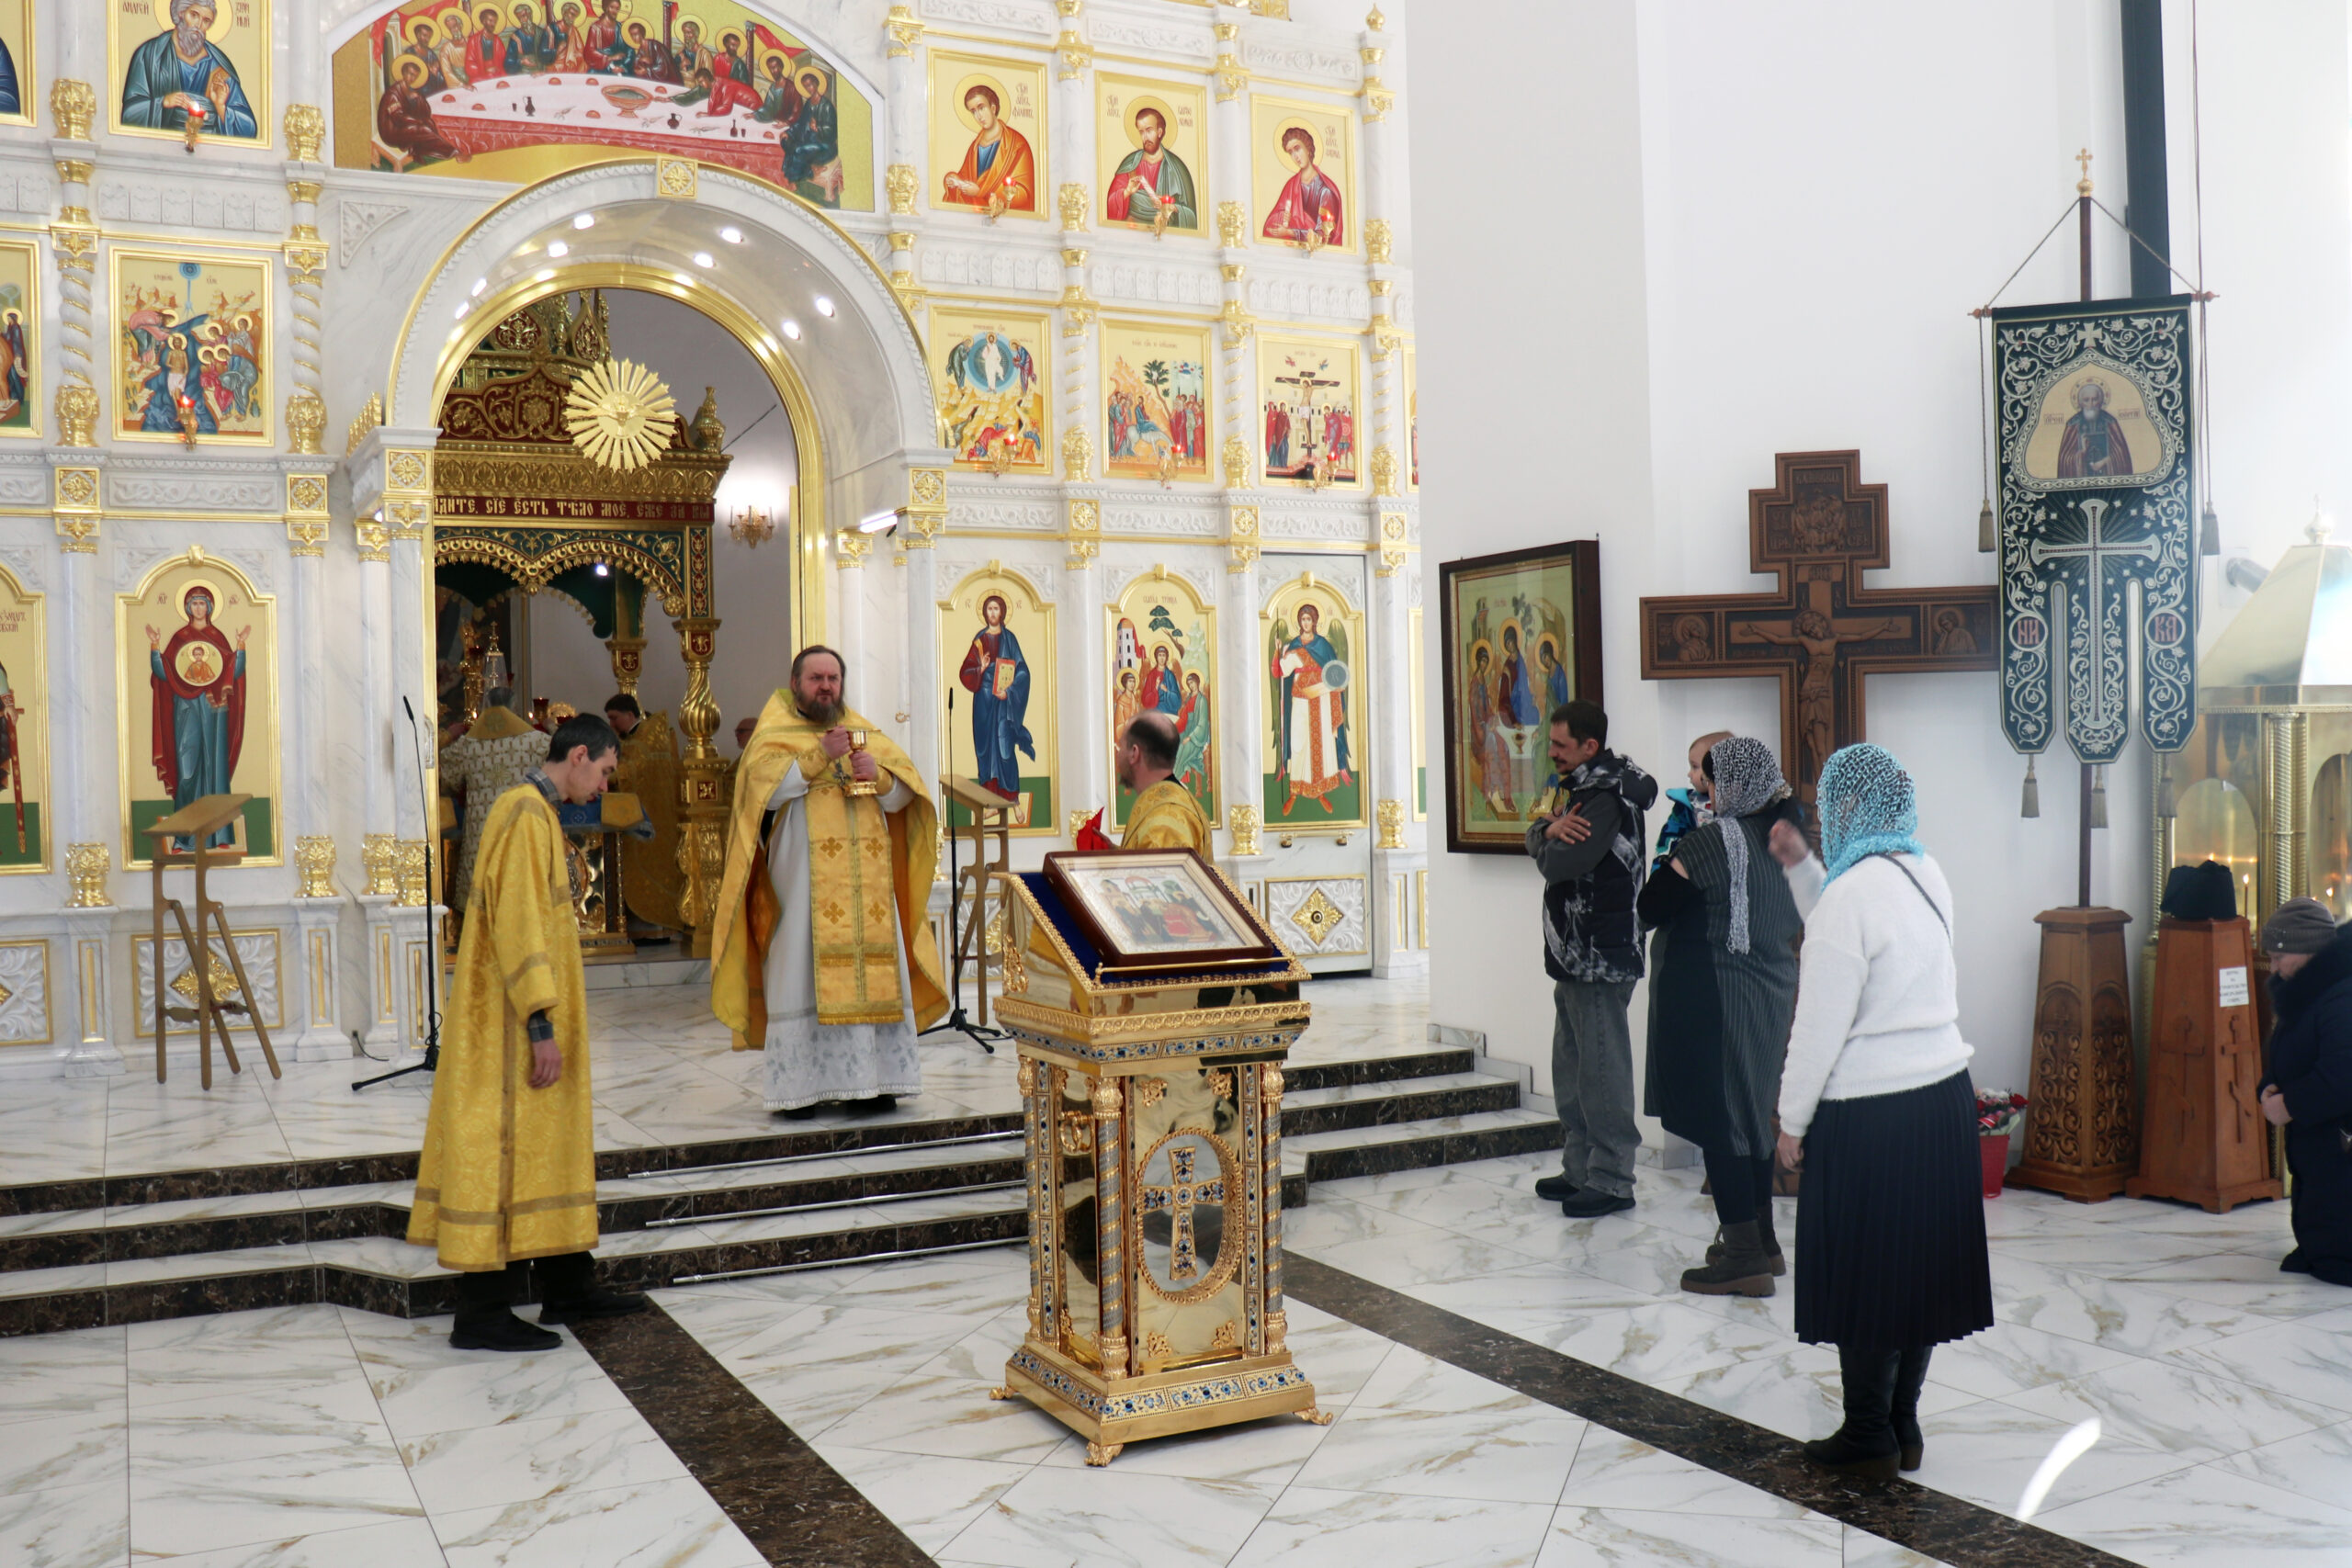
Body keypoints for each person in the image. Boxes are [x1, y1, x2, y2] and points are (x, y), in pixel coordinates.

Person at [1775, 743, 1991, 1479]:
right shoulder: (1925, 872)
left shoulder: (1847, 899)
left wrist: (1790, 1121)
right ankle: (1903, 1422)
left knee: (1866, 1271)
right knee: (1916, 1268)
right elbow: (1868, 938)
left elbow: (1817, 1026)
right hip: (1941, 1101)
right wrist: (1803, 869)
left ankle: (1867, 1431)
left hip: (1871, 1114)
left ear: (1848, 807)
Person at [409, 714, 650, 1350]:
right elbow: (516, 922)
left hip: (530, 1013)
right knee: (507, 1149)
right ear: (579, 755)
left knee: (549, 1144)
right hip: (513, 1023)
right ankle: (482, 1312)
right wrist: (539, 1021)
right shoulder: (522, 813)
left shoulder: (538, 812)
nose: (604, 786)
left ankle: (568, 1283)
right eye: (604, 772)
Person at [710, 647, 947, 1118]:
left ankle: (874, 1084)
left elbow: (905, 797)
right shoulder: (774, 734)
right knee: (799, 972)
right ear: (795, 683)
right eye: (816, 677)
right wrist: (821, 755)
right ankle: (801, 1091)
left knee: (873, 973)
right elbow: (762, 796)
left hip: (868, 890)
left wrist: (880, 777)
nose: (826, 686)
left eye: (833, 678)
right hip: (803, 885)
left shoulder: (864, 732)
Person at [1637, 736, 1808, 1292]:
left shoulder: (1713, 842)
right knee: (1752, 1117)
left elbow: (1650, 905)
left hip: (1717, 996)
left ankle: (1742, 1258)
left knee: (1723, 1120)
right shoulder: (1791, 838)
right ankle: (1763, 1242)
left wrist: (1679, 850)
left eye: (1711, 780)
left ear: (1733, 785)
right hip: (1772, 992)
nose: (1705, 790)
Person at [1525, 700, 1657, 1219]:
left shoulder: (1604, 797)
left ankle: (1612, 1179)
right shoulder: (1578, 788)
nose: (1553, 754)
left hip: (1601, 954)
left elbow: (1562, 862)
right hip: (1573, 953)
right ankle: (1579, 1169)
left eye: (1560, 746)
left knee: (1602, 1070)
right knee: (1572, 1066)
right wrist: (1544, 831)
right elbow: (1543, 833)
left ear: (1589, 746)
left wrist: (1544, 837)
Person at [2257, 897, 2352, 1287]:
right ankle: (2317, 1249)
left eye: (2280, 956)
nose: (2274, 967)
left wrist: (2289, 1105)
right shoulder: (2306, 990)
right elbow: (2288, 1049)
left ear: (2309, 949)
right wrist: (2268, 1088)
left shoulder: (2342, 996)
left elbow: (2343, 1074)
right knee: (2315, 1191)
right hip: (2317, 1135)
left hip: (2339, 1136)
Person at [440, 687, 544, 910]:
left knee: (481, 898)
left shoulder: (469, 744)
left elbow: (446, 775)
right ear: (514, 708)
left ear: (486, 707)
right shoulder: (535, 742)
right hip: (520, 826)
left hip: (481, 830)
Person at [121, 0, 260, 139]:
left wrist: (221, 107)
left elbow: (249, 129)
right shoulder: (150, 55)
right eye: (194, 15)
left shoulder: (218, 67)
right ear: (180, 13)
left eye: (206, 21)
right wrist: (164, 102)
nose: (198, 25)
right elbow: (129, 115)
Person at [604, 692, 681, 934]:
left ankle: (656, 925)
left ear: (629, 714)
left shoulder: (647, 738)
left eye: (614, 718)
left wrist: (600, 777)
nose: (611, 724)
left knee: (650, 868)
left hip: (654, 817)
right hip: (636, 814)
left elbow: (630, 771)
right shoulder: (632, 738)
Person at [958, 592, 1034, 801]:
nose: (992, 613)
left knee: (1004, 748)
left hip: (1003, 704)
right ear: (985, 613)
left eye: (996, 609)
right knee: (984, 750)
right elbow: (965, 672)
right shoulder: (980, 640)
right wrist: (980, 668)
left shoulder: (1010, 639)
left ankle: (1010, 796)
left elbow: (1023, 671)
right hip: (983, 702)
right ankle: (989, 800)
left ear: (1002, 612)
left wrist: (1008, 691)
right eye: (989, 609)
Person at [1118, 713, 1211, 852]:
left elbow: (1159, 866)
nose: (1118, 754)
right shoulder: (1174, 802)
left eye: (1121, 745)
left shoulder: (1164, 823)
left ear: (1134, 753)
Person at [942, 82, 1035, 217]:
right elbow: (966, 178)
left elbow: (1024, 193)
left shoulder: (1017, 145)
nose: (978, 116)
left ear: (993, 108)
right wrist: (954, 180)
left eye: (981, 108)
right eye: (973, 111)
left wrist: (982, 192)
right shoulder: (975, 147)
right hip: (976, 218)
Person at [1106, 105, 1197, 231]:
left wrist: (1171, 207)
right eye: (1141, 132)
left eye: (1149, 131)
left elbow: (1191, 216)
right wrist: (1127, 192)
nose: (1145, 137)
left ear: (1159, 132)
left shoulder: (1177, 168)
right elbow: (1110, 206)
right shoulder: (1130, 165)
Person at [1261, 125, 1343, 247]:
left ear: (1308, 148)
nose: (1295, 156)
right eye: (1291, 152)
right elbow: (1271, 224)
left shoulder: (1326, 191)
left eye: (1297, 148)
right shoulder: (1291, 185)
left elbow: (1322, 237)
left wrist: (1290, 232)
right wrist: (1283, 217)